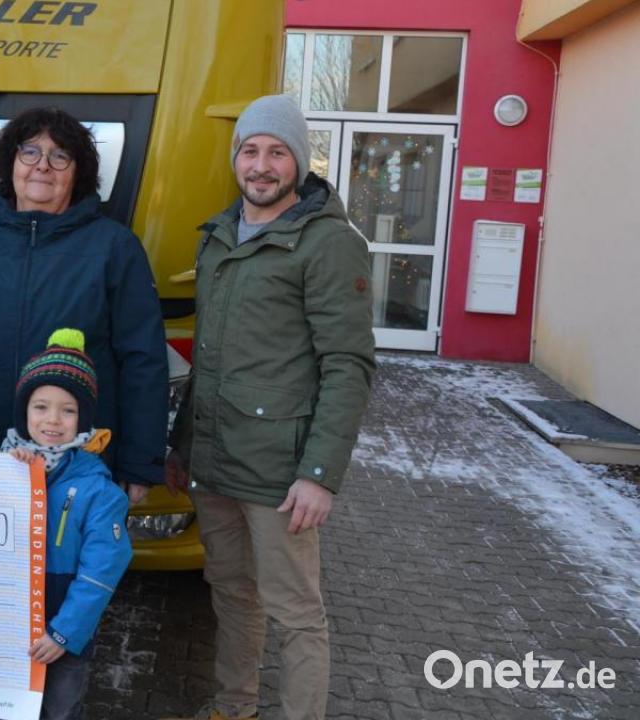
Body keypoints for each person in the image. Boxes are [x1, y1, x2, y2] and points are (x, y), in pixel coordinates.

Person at [165, 95, 376, 720]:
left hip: (280, 473)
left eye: (276, 152)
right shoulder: (219, 235)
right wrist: (181, 447)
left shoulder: (327, 243)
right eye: (250, 151)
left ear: (299, 162)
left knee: (297, 614)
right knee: (231, 593)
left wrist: (319, 475)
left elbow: (349, 366)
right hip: (215, 458)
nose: (260, 166)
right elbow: (212, 358)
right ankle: (235, 705)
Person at [0, 107, 167, 505]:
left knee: (66, 567)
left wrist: (140, 462)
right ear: (10, 163)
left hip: (77, 465)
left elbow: (143, 360)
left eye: (59, 156)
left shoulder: (115, 249)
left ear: (77, 171)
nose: (42, 166)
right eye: (30, 152)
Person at [3, 329, 132, 720]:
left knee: (59, 710)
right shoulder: (5, 465)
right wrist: (11, 473)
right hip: (10, 623)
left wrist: (65, 633)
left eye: (69, 410)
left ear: (85, 417)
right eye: (40, 407)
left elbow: (102, 569)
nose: (53, 421)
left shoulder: (98, 489)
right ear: (24, 412)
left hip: (64, 634)